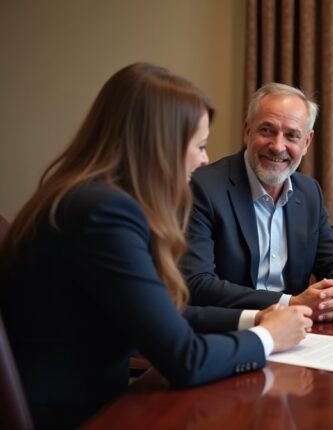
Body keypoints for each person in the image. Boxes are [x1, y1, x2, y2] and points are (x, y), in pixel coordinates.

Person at [0, 63, 313, 428]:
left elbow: (163, 316)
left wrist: (256, 318)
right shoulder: (104, 213)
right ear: (159, 143)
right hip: (81, 416)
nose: (204, 159)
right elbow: (186, 360)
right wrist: (268, 338)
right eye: (198, 145)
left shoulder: (84, 195)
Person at [180, 82, 333, 327]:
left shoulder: (309, 192)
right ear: (247, 131)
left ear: (307, 142)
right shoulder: (204, 187)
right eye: (267, 131)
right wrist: (290, 302)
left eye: (292, 135)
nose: (278, 146)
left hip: (297, 334)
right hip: (227, 333)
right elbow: (197, 284)